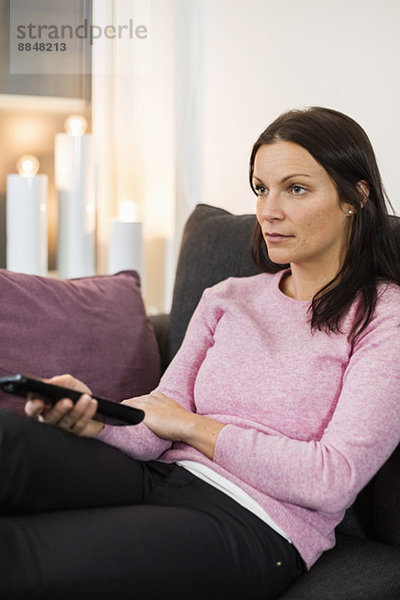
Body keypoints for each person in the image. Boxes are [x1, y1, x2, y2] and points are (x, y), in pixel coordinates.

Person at [1, 106, 400, 600]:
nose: (269, 210)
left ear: (355, 196)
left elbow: (331, 480)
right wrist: (95, 420)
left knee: (19, 554)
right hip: (158, 475)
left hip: (251, 522)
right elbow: (157, 423)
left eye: (295, 189)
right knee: (7, 440)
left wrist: (192, 426)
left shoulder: (383, 316)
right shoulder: (227, 296)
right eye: (261, 188)